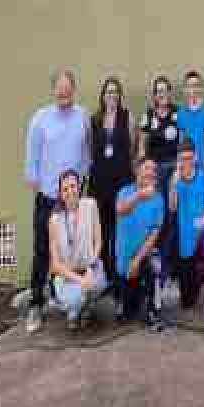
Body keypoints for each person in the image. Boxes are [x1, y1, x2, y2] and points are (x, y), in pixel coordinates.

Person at [24, 69, 91, 334]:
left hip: (73, 199)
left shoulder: (83, 116)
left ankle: (74, 305)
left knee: (73, 252)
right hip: (48, 198)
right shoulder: (40, 119)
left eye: (68, 88)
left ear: (74, 89)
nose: (64, 93)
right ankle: (36, 304)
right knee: (42, 251)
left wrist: (81, 185)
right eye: (59, 89)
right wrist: (39, 188)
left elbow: (87, 155)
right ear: (53, 90)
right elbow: (31, 161)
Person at [171, 139, 204, 343]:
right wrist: (174, 183)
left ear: (195, 157)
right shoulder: (176, 179)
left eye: (189, 158)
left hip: (202, 232)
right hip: (185, 239)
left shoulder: (203, 177)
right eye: (182, 159)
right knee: (187, 301)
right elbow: (172, 207)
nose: (186, 162)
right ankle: (199, 276)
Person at [89, 76, 137, 281]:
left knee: (120, 228)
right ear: (103, 95)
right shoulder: (94, 119)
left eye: (116, 92)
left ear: (120, 95)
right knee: (101, 228)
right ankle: (104, 274)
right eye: (109, 92)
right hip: (100, 181)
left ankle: (119, 274)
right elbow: (90, 149)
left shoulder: (128, 117)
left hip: (121, 180)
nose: (112, 95)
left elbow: (132, 147)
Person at [48, 169, 105, 331]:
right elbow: (55, 265)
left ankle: (87, 307)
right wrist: (80, 280)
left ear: (79, 186)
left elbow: (98, 241)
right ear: (60, 193)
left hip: (89, 267)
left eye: (73, 186)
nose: (70, 191)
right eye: (65, 189)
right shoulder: (54, 220)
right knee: (74, 299)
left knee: (96, 285)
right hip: (68, 275)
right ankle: (73, 311)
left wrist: (90, 268)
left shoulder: (91, 205)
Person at [137, 75, 181, 281]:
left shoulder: (178, 114)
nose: (162, 94)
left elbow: (183, 144)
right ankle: (156, 264)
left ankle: (171, 265)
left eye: (165, 90)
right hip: (154, 172)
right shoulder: (148, 115)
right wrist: (143, 173)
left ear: (170, 93)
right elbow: (141, 147)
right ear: (154, 95)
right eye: (158, 91)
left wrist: (178, 172)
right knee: (157, 216)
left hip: (174, 169)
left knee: (173, 216)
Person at [114, 160, 165, 331]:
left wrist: (137, 260)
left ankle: (152, 310)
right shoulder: (124, 192)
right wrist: (139, 196)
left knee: (155, 266)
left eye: (153, 169)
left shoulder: (158, 198)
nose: (150, 172)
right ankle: (128, 300)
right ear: (137, 171)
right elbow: (120, 210)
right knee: (128, 313)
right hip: (125, 258)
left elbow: (154, 234)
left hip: (143, 256)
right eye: (146, 168)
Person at [177, 69, 204, 179]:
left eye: (196, 86)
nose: (193, 89)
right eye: (189, 86)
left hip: (203, 163)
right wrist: (180, 165)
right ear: (185, 89)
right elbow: (181, 141)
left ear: (201, 88)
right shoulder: (181, 113)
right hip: (187, 164)